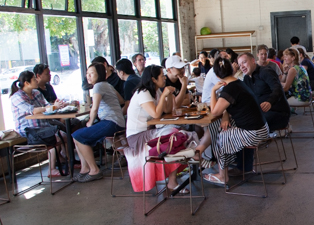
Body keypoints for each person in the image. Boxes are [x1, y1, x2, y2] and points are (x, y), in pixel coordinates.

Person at [123, 65, 201, 193]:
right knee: (173, 134)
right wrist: (165, 93)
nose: (164, 78)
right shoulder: (143, 92)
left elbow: (167, 110)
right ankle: (176, 176)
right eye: (161, 76)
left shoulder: (156, 91)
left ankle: (177, 173)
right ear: (153, 79)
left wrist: (168, 95)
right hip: (137, 137)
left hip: (148, 132)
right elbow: (155, 114)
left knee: (176, 133)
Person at [200, 57, 269, 186]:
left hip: (255, 133)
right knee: (220, 128)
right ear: (232, 69)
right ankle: (219, 164)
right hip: (261, 128)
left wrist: (213, 90)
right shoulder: (238, 83)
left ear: (216, 75)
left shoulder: (229, 89)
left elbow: (215, 112)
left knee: (220, 137)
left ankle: (222, 175)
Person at [73, 63, 125, 182]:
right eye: (87, 73)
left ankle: (94, 170)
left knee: (77, 136)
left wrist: (90, 123)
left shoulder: (98, 86)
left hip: (111, 122)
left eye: (91, 73)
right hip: (118, 121)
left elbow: (94, 108)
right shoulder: (107, 85)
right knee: (77, 137)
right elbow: (121, 100)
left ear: (100, 74)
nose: (88, 76)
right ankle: (85, 169)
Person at [10, 70, 67, 176]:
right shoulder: (17, 97)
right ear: (26, 83)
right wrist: (52, 107)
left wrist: (56, 105)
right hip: (28, 130)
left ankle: (66, 161)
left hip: (44, 126)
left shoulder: (36, 93)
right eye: (34, 79)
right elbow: (33, 110)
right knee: (57, 137)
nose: (37, 81)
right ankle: (52, 169)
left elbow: (46, 106)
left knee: (65, 135)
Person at [238, 52, 290, 131]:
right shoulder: (246, 79)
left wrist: (270, 102)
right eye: (240, 65)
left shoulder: (265, 72)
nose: (242, 67)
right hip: (262, 113)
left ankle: (257, 141)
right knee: (239, 120)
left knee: (249, 123)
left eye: (244, 62)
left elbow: (278, 88)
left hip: (278, 113)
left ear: (253, 61)